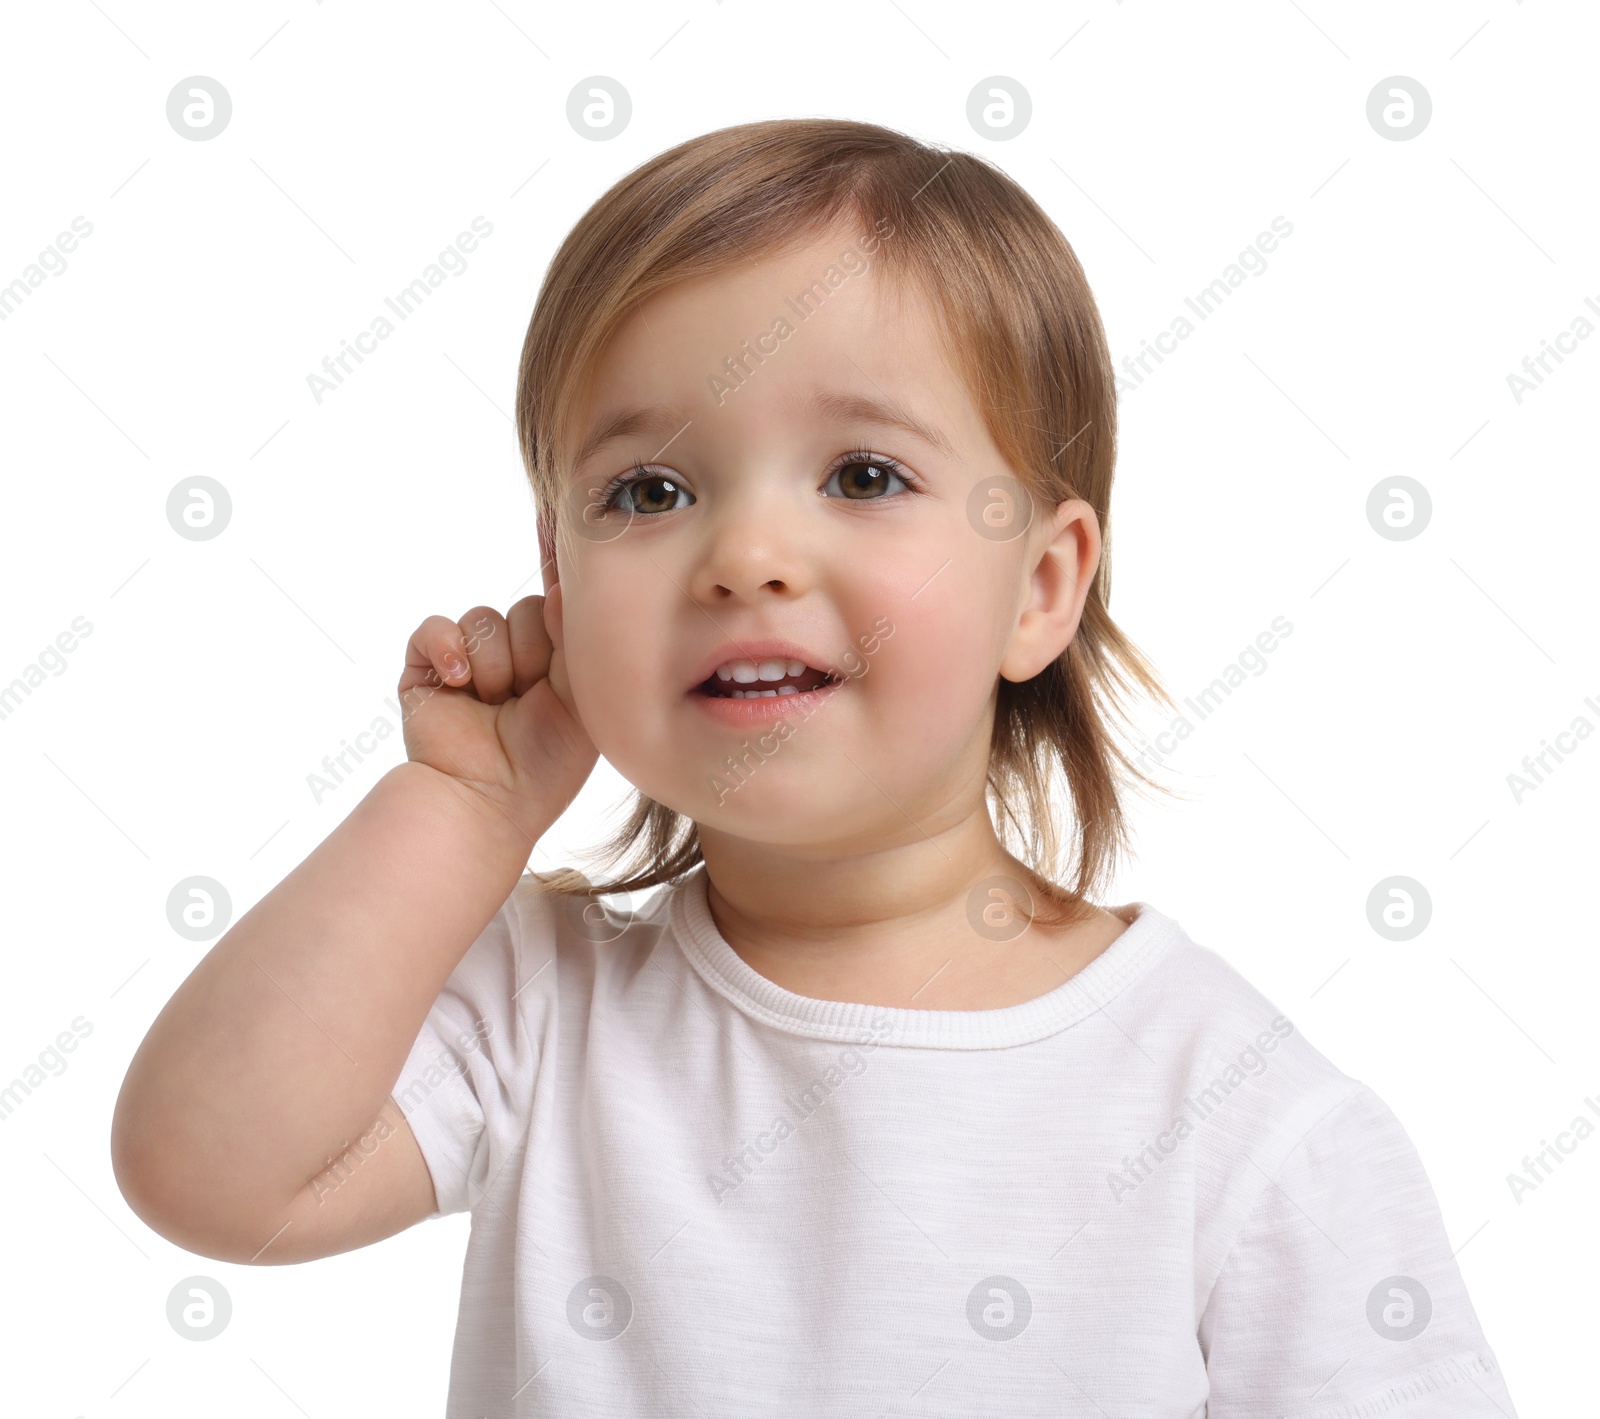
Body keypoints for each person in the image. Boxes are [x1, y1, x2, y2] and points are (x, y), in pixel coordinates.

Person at [111, 117, 1518, 1416]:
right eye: (649, 493)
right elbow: (209, 1177)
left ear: (1038, 586)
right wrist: (458, 810)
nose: (745, 556)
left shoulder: (1238, 1115)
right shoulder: (543, 1006)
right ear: (556, 574)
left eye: (860, 476)